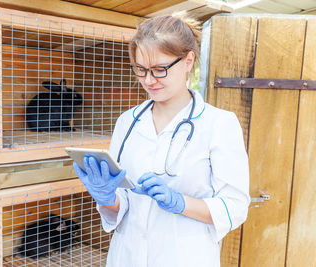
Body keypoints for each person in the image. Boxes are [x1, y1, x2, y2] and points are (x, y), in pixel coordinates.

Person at [73, 12, 250, 267]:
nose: (148, 80)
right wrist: (106, 198)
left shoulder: (219, 124)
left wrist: (181, 203)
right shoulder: (127, 121)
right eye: (140, 69)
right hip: (126, 257)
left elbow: (235, 207)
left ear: (188, 61)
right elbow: (123, 208)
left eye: (159, 69)